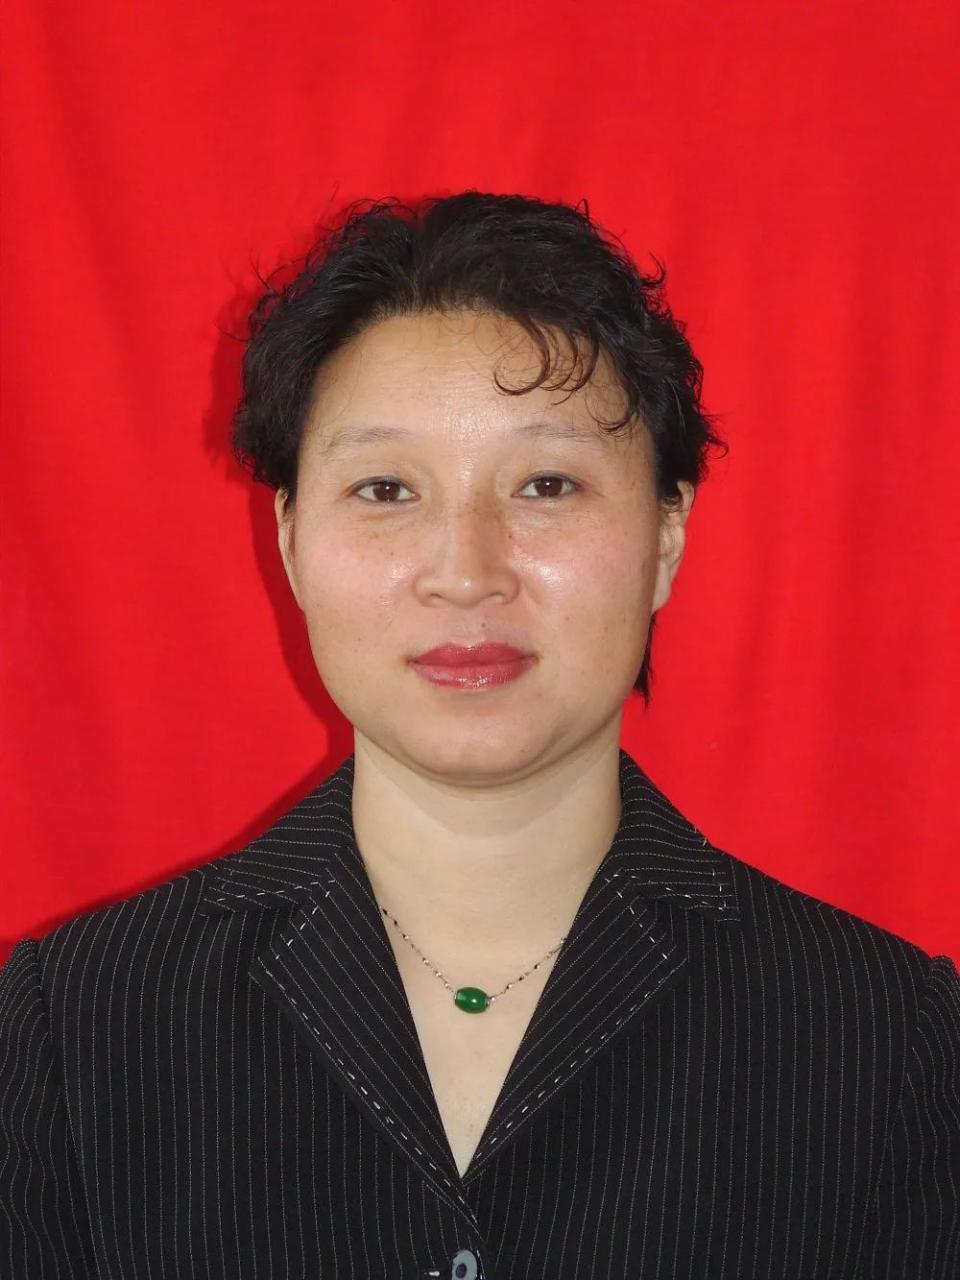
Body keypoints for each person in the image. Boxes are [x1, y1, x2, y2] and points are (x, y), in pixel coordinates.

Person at [1, 191, 957, 1280]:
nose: (466, 571)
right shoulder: (76, 1026)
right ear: (293, 541)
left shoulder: (886, 1038)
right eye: (386, 488)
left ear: (666, 535)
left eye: (547, 484)